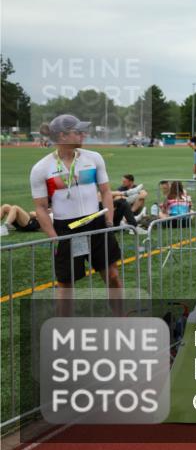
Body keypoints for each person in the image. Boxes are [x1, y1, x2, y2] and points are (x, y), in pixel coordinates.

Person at [29, 114, 123, 315]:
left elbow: (106, 191)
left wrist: (108, 221)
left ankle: (120, 318)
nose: (84, 134)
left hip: (97, 224)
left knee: (113, 275)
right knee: (66, 286)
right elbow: (40, 208)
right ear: (62, 136)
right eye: (78, 131)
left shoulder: (94, 158)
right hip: (67, 228)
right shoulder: (41, 168)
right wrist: (55, 238)